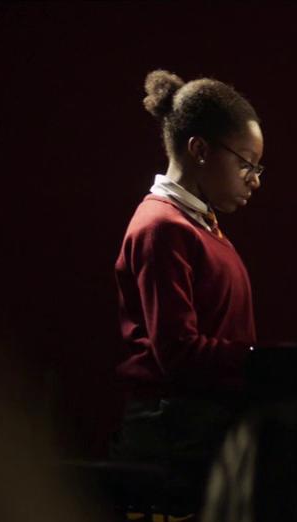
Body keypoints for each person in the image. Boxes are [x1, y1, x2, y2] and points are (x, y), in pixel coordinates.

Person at [111, 69, 265, 486]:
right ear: (199, 149)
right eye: (246, 164)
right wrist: (266, 364)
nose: (254, 180)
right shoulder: (162, 227)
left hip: (200, 421)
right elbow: (178, 353)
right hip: (175, 432)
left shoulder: (197, 224)